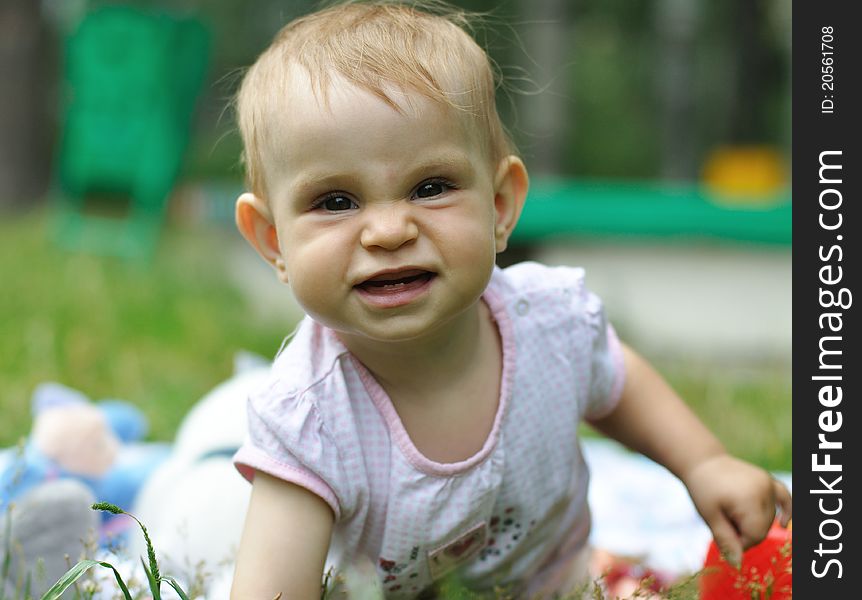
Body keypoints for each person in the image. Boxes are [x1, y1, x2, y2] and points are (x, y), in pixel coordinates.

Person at [228, 2, 792, 598]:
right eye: (336, 201)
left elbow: (616, 378)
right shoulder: (311, 421)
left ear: (499, 207)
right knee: (206, 503)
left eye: (431, 188)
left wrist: (702, 463)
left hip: (558, 581)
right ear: (273, 241)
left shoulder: (548, 322)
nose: (389, 231)